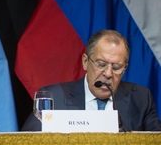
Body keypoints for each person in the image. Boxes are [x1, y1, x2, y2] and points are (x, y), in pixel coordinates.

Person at [21, 29, 161, 132]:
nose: (108, 73)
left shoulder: (141, 99)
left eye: (116, 67)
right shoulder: (54, 97)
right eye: (101, 64)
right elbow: (26, 144)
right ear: (85, 62)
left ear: (124, 69)